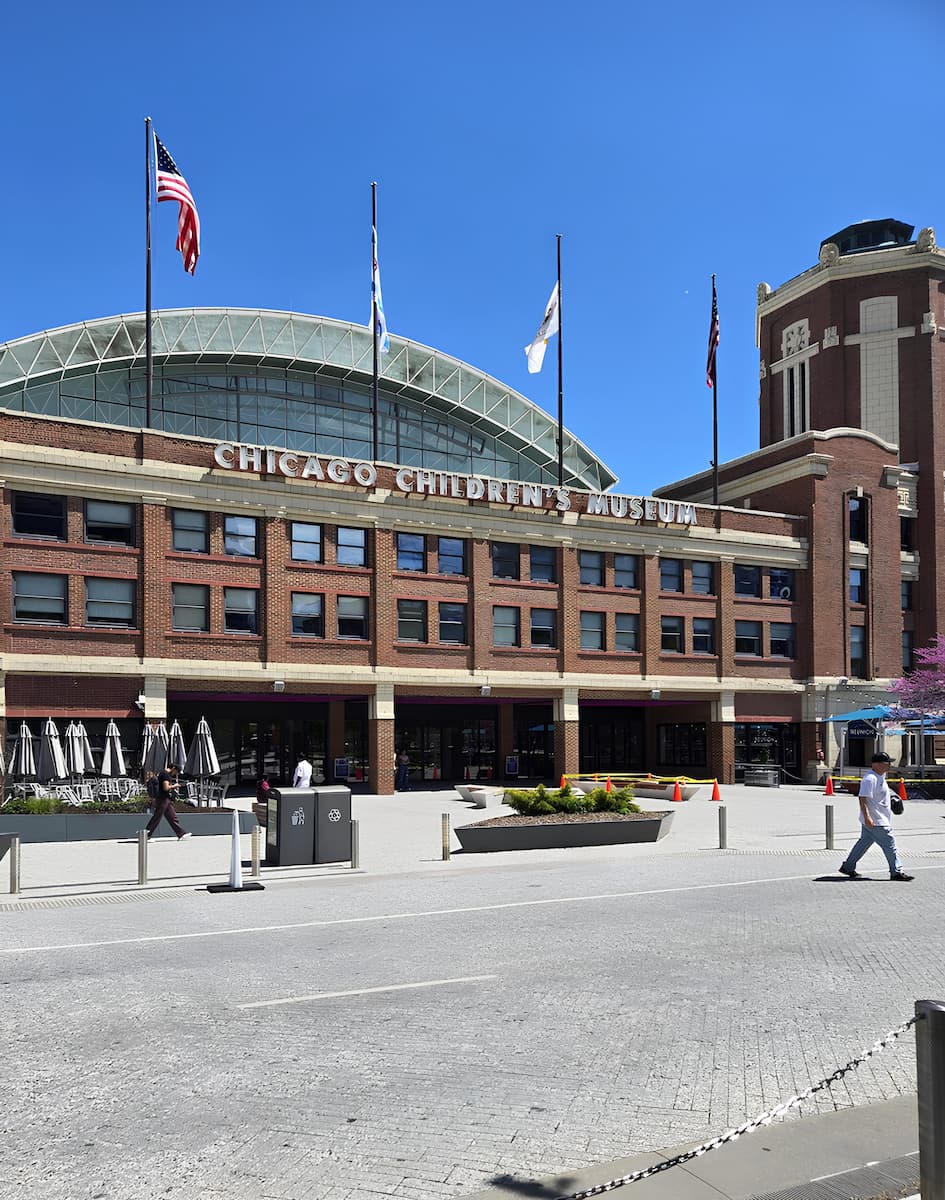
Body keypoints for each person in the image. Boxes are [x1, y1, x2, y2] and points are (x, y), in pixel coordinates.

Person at [839, 752, 912, 881]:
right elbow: (862, 798)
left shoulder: (881, 776)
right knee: (890, 845)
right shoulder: (870, 779)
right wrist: (867, 817)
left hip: (876, 819)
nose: (889, 765)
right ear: (877, 764)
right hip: (877, 821)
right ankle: (896, 871)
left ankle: (848, 867)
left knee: (863, 844)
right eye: (886, 763)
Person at [145, 762, 192, 841]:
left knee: (172, 817)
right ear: (173, 768)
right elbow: (166, 788)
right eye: (176, 772)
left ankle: (181, 834)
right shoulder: (166, 775)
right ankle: (146, 836)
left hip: (164, 799)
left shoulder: (161, 773)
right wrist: (175, 786)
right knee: (157, 817)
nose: (175, 774)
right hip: (163, 798)